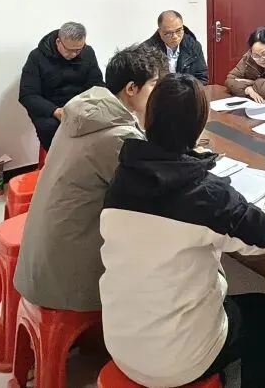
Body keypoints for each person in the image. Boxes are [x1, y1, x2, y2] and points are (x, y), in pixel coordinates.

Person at [100, 74, 265, 388]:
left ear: (148, 118)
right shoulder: (205, 193)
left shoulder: (123, 176)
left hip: (119, 343)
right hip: (177, 362)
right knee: (264, 312)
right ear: (199, 126)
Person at [14, 43, 164, 312]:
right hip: (66, 278)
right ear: (131, 88)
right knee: (160, 249)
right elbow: (151, 196)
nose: (159, 92)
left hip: (41, 259)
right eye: (154, 85)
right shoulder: (117, 136)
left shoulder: (86, 110)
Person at [18, 21, 106, 151]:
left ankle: (90, 158)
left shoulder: (87, 52)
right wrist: (55, 111)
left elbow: (96, 83)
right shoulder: (37, 57)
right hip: (50, 107)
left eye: (78, 50)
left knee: (104, 120)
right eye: (69, 50)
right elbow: (28, 95)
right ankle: (60, 160)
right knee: (51, 129)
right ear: (58, 42)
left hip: (79, 103)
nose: (74, 54)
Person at [144, 10, 208, 84]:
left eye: (178, 31)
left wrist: (186, 89)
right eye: (168, 33)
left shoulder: (193, 46)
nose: (175, 36)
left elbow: (202, 78)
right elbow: (144, 83)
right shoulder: (147, 50)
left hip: (187, 90)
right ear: (160, 32)